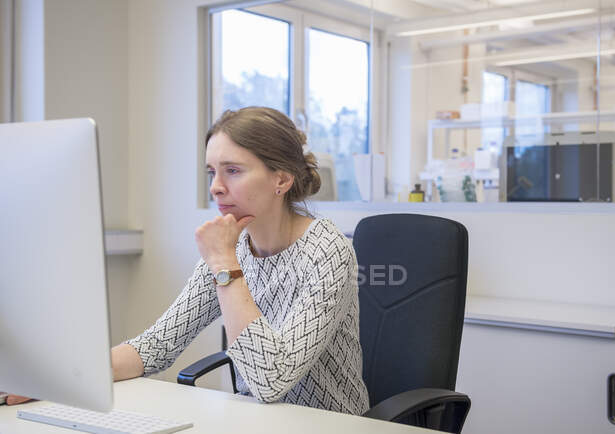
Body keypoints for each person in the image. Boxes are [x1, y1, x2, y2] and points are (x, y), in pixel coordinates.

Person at [8, 106, 370, 415]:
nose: (215, 186)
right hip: (259, 422)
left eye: (233, 170)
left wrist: (224, 262)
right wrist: (61, 380)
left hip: (331, 425)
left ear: (281, 178)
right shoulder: (231, 246)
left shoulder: (328, 250)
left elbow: (270, 380)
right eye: (212, 172)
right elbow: (157, 345)